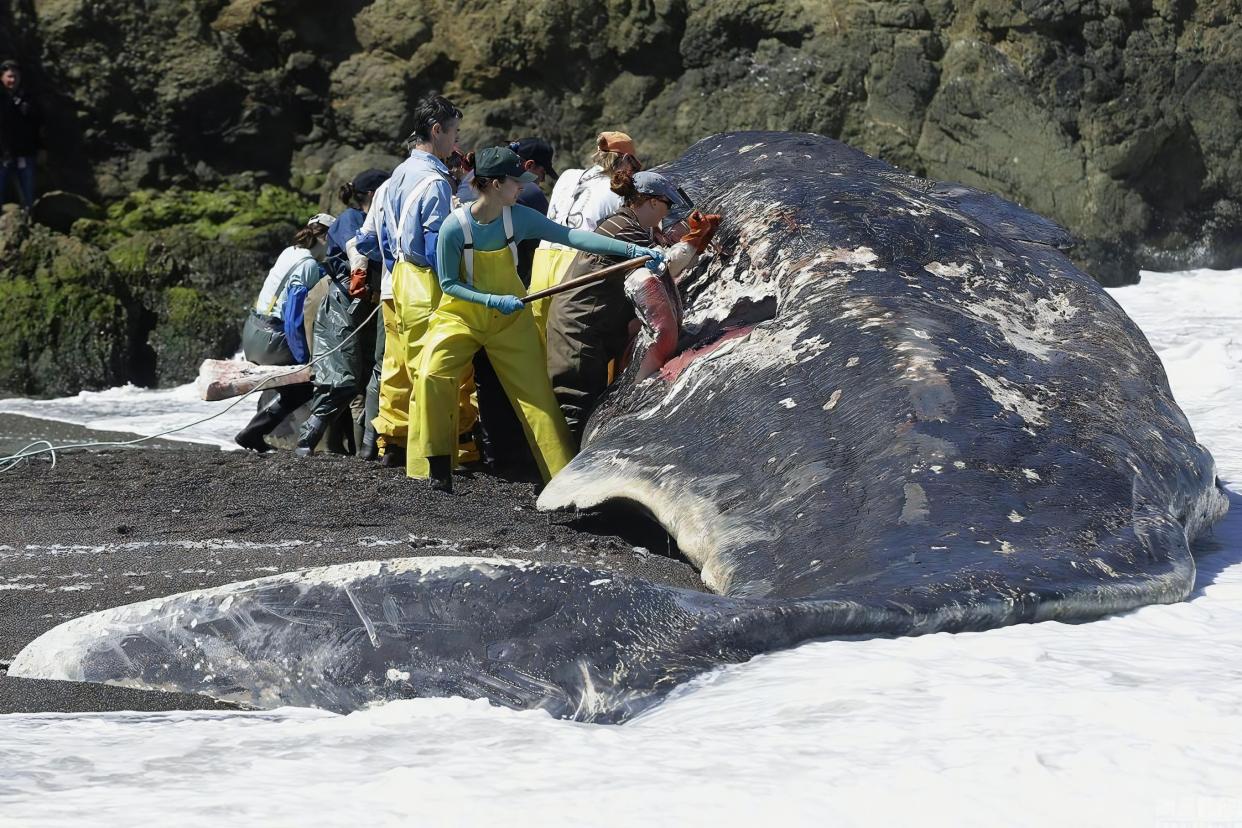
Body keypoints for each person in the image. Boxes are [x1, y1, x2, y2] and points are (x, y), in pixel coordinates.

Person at [412, 145, 665, 493]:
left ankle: (564, 482)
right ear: (494, 184)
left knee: (539, 399)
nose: (524, 188)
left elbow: (572, 236)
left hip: (510, 321)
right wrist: (489, 299)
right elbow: (448, 284)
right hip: (461, 316)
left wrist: (633, 250)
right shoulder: (454, 228)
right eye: (517, 182)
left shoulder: (519, 217)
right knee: (431, 374)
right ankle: (437, 465)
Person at [544, 170, 691, 443]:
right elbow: (661, 268)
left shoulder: (624, 225)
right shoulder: (624, 230)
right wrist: (692, 244)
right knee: (578, 412)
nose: (665, 214)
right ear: (652, 202)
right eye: (666, 206)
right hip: (579, 332)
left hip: (589, 327)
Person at [355, 93, 460, 470]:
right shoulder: (435, 182)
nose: (457, 143)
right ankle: (431, 459)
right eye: (455, 134)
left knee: (396, 370)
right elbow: (436, 249)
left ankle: (392, 446)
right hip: (424, 282)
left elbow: (369, 239)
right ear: (437, 131)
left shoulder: (396, 175)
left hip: (394, 278)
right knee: (432, 371)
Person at [295, 169, 389, 456]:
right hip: (344, 306)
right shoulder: (350, 219)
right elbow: (354, 250)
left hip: (370, 307)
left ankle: (368, 449)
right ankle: (305, 442)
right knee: (341, 379)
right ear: (374, 193)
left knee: (371, 376)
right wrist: (361, 280)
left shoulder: (378, 220)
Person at [234, 213, 335, 452]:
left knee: (292, 388)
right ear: (325, 237)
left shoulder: (289, 251)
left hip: (252, 331)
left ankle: (255, 433)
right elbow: (292, 317)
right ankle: (254, 433)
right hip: (272, 338)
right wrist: (303, 360)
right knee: (308, 385)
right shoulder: (309, 264)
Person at [527, 131, 641, 335]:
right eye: (634, 166)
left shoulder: (567, 175)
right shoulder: (618, 191)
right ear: (625, 159)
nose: (632, 173)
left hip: (542, 260)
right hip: (575, 265)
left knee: (538, 338)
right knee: (569, 336)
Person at [0, 60, 42, 211]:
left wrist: (41, 148)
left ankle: (29, 218)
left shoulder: (27, 98)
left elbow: (37, 124)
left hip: (24, 151)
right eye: (10, 76)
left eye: (16, 76)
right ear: (2, 77)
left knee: (27, 188)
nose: (13, 80)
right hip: (2, 153)